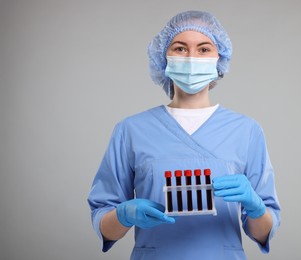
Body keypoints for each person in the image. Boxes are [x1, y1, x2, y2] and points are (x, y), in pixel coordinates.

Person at [88, 10, 280, 259]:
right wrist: (124, 215)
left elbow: (263, 233)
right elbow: (105, 227)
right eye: (179, 48)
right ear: (163, 57)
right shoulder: (131, 130)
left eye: (203, 49)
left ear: (218, 57)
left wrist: (255, 208)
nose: (191, 57)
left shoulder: (247, 131)